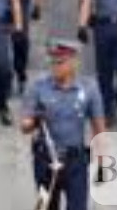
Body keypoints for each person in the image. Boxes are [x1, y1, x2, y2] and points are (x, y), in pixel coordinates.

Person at [20, 38, 106, 210]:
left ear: (74, 63)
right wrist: (35, 120)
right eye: (52, 62)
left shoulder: (89, 88)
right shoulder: (38, 87)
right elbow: (24, 126)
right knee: (47, 206)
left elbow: (99, 128)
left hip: (76, 162)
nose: (55, 67)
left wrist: (102, 164)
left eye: (60, 62)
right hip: (45, 161)